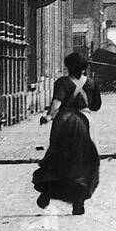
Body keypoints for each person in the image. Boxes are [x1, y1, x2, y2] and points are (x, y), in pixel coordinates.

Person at [33, 51, 102, 216]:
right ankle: (78, 203)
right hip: (85, 123)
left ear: (68, 66)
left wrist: (48, 116)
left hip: (64, 122)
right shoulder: (92, 83)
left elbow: (57, 102)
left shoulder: (62, 82)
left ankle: (47, 194)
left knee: (57, 158)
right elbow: (96, 106)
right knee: (84, 162)